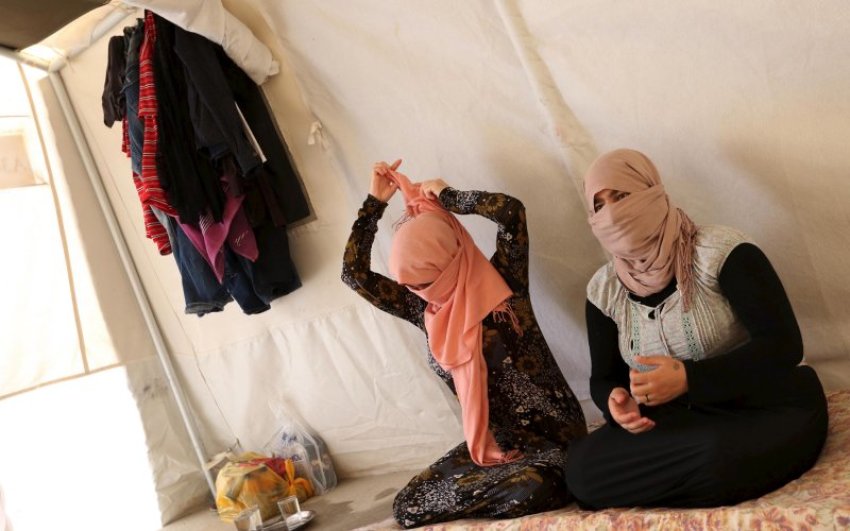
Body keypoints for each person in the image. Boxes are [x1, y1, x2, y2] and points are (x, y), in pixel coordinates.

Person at [565, 149, 829, 509]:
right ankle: (708, 481)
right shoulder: (604, 290)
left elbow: (783, 346)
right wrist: (615, 401)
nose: (611, 213)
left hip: (764, 404)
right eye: (599, 205)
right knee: (581, 471)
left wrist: (689, 378)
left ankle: (694, 479)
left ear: (652, 192)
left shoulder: (723, 252)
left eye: (622, 195)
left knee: (719, 455)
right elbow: (603, 377)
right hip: (683, 420)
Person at [342, 160, 587, 528]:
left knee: (535, 487)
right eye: (412, 285)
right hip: (497, 443)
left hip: (557, 440)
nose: (420, 291)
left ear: (450, 259)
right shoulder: (425, 309)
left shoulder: (505, 284)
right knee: (408, 506)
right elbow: (353, 274)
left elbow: (511, 213)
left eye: (426, 281)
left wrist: (449, 196)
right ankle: (494, 491)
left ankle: (507, 490)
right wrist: (373, 204)